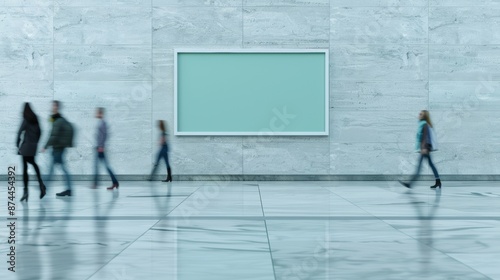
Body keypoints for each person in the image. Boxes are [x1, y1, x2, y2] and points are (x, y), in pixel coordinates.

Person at [400, 110, 441, 189]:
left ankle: (410, 184)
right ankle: (438, 181)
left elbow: (426, 137)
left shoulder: (424, 125)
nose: (419, 115)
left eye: (421, 114)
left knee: (419, 167)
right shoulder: (422, 124)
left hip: (424, 149)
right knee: (431, 165)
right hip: (424, 148)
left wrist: (424, 148)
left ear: (424, 116)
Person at [42, 100, 73, 196]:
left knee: (53, 169)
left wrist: (45, 146)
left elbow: (53, 135)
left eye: (54, 106)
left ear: (57, 107)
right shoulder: (57, 119)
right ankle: (68, 189)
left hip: (58, 149)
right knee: (58, 168)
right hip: (58, 148)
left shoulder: (58, 120)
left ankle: (45, 187)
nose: (53, 108)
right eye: (52, 106)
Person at [16, 103, 46, 202]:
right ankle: (41, 185)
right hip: (33, 146)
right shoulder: (36, 118)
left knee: (25, 167)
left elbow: (19, 132)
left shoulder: (26, 119)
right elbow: (40, 132)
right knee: (33, 163)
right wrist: (36, 142)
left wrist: (17, 144)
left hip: (26, 146)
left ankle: (26, 192)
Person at [92, 107, 119, 190]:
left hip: (100, 148)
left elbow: (105, 136)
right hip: (99, 147)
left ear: (100, 113)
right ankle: (114, 182)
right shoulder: (101, 122)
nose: (96, 114)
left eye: (97, 113)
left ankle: (97, 184)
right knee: (100, 166)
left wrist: (101, 146)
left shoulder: (103, 123)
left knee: (105, 166)